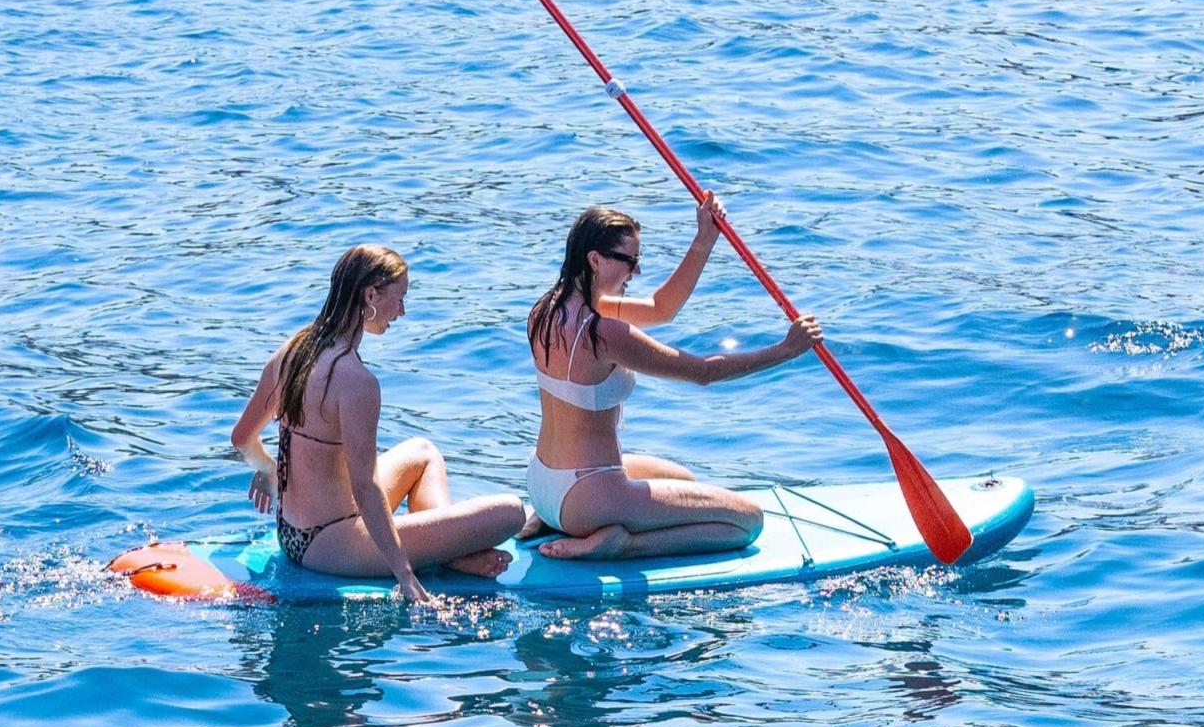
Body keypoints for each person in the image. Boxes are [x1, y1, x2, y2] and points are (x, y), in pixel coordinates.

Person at [523, 197, 824, 559]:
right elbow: (703, 372)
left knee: (684, 481)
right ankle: (621, 543)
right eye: (630, 261)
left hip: (543, 483)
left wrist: (704, 240)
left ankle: (553, 518)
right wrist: (786, 350)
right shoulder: (605, 333)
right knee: (746, 521)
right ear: (595, 259)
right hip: (586, 495)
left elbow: (660, 308)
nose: (636, 272)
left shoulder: (544, 311)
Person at [232, 243, 523, 601]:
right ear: (370, 295)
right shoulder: (356, 381)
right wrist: (405, 575)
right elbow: (365, 488)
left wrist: (267, 469)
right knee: (511, 513)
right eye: (399, 298)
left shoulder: (292, 349)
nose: (402, 312)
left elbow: (241, 438)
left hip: (290, 533)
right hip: (331, 543)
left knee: (423, 452)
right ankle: (449, 554)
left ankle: (450, 551)